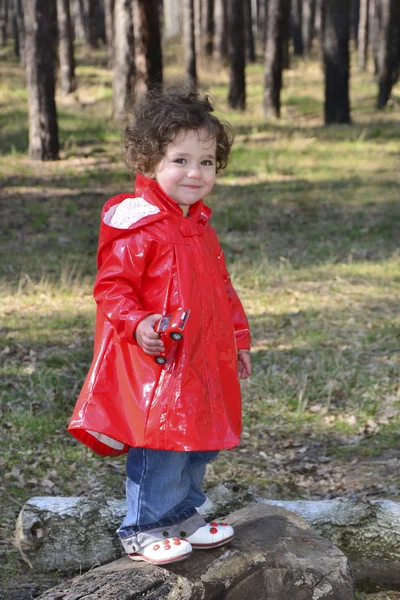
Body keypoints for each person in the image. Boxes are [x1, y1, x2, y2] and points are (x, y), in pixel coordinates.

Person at [68, 89, 251, 565]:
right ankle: (144, 526)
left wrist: (238, 339)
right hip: (161, 362)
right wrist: (139, 321)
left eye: (207, 162)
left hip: (204, 358)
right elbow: (112, 288)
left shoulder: (199, 226)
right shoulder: (141, 226)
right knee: (163, 443)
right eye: (181, 160)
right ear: (149, 162)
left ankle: (183, 514)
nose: (196, 173)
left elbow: (222, 291)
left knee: (201, 442)